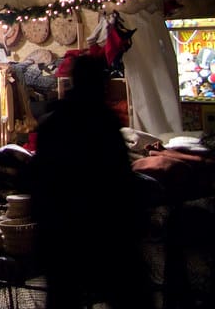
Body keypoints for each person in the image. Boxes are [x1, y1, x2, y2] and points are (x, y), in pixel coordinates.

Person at [29, 54, 150, 309]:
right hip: (100, 229)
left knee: (64, 296)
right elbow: (117, 178)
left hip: (62, 231)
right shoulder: (102, 122)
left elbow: (39, 178)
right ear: (99, 84)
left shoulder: (55, 121)